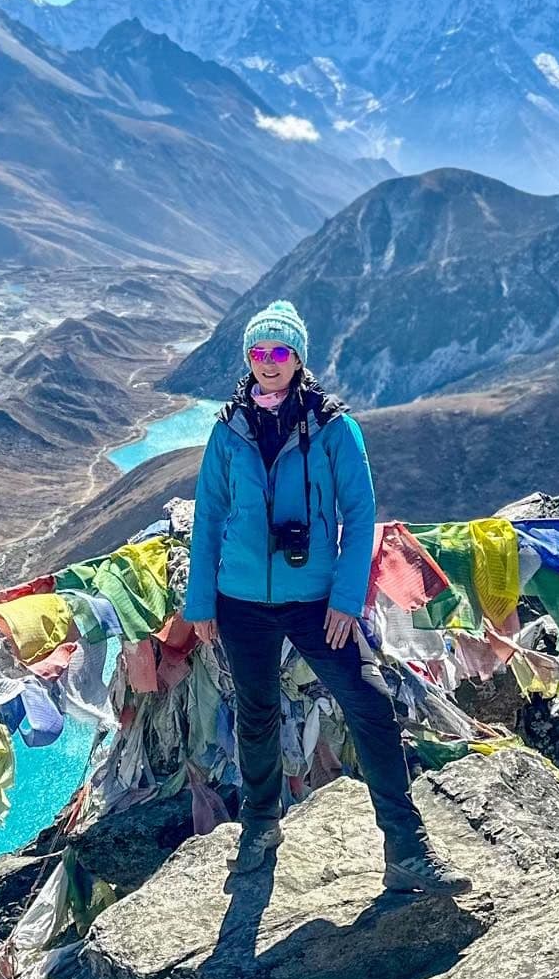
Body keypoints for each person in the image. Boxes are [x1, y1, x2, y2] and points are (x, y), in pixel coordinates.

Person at [182, 299, 471, 895]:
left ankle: (406, 847)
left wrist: (346, 598)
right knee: (256, 716)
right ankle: (260, 828)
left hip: (317, 601)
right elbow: (208, 514)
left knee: (368, 703)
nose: (268, 363)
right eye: (258, 352)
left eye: (280, 352)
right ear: (248, 358)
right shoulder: (227, 426)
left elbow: (359, 511)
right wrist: (201, 602)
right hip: (238, 601)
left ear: (298, 358)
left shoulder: (335, 425)